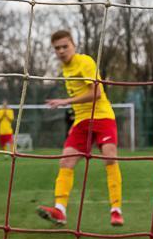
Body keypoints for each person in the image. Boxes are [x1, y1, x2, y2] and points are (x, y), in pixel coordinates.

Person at [35, 30, 123, 228]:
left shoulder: (85, 62)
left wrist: (65, 101)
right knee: (66, 160)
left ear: (74, 45)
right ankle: (60, 211)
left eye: (65, 46)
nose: (61, 51)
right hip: (82, 122)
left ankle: (116, 210)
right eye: (57, 48)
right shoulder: (65, 69)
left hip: (102, 117)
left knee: (110, 157)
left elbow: (97, 93)